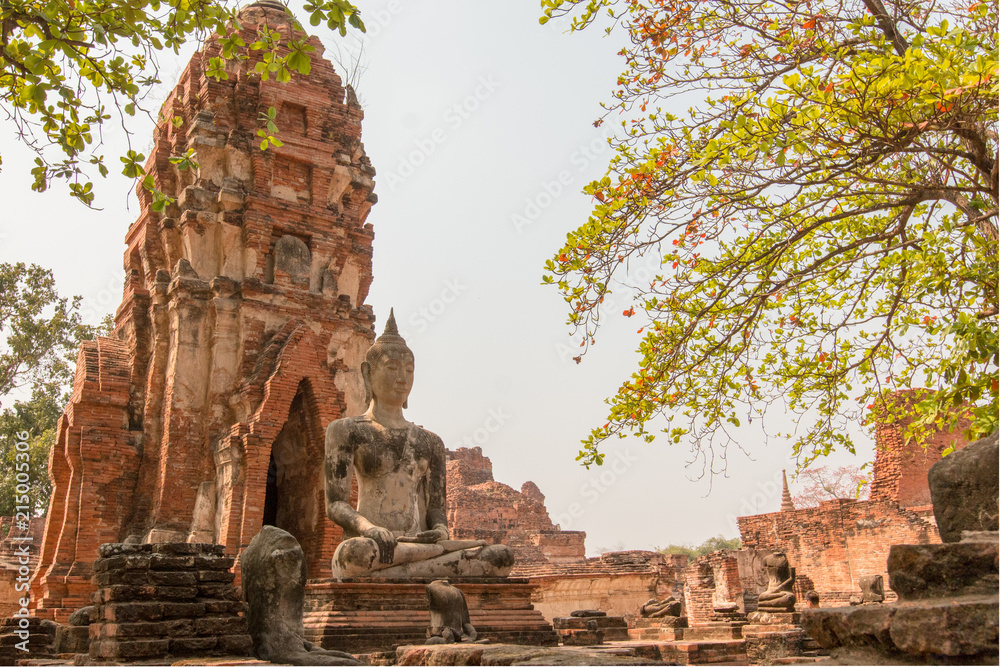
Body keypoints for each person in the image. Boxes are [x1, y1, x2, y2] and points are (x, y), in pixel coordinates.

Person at [324, 310, 513, 578]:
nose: (402, 378)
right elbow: (335, 505)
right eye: (392, 368)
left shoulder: (430, 442)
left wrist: (440, 531)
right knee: (353, 556)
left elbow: (435, 509)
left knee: (499, 557)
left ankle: (402, 570)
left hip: (417, 545)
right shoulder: (346, 430)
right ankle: (416, 570)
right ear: (367, 373)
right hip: (372, 545)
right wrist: (370, 529)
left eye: (409, 370)